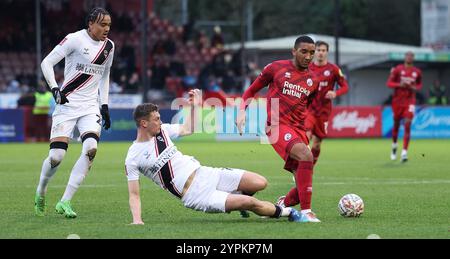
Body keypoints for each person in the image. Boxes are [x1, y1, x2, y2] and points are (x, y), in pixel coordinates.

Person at [125, 89, 305, 225]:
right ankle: (289, 213)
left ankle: (237, 198)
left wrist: (194, 106)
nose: (160, 121)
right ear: (144, 123)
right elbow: (134, 194)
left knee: (260, 182)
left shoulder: (163, 131)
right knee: (250, 202)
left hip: (206, 173)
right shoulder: (133, 157)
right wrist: (137, 220)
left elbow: (188, 129)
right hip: (196, 195)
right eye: (156, 119)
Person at [34, 7, 114, 218]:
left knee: (91, 148)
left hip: (90, 107)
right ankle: (41, 190)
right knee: (57, 156)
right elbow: (47, 63)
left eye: (109, 25)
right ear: (90, 23)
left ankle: (65, 201)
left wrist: (104, 105)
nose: (106, 29)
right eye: (102, 24)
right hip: (67, 104)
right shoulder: (74, 39)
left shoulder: (109, 47)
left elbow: (105, 76)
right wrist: (54, 89)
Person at [236, 35, 321, 222]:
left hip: (298, 131)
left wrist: (311, 128)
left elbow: (311, 107)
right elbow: (251, 90)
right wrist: (242, 111)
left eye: (312, 53)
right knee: (307, 157)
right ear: (294, 51)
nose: (308, 56)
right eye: (304, 51)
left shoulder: (314, 80)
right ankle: (306, 213)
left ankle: (279, 204)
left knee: (302, 188)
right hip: (276, 127)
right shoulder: (276, 68)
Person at [306, 41, 349, 165]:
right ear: (314, 52)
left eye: (323, 50)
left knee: (317, 143)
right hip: (309, 109)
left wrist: (335, 93)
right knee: (305, 136)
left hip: (324, 111)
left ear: (327, 52)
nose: (320, 53)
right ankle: (301, 166)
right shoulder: (308, 68)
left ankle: (309, 168)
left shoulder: (333, 69)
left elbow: (345, 87)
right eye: (318, 50)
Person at [386, 51, 422, 162]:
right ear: (405, 57)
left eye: (411, 56)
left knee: (407, 124)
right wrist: (399, 85)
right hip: (397, 102)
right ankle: (394, 146)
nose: (409, 57)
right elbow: (389, 83)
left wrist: (415, 88)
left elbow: (419, 85)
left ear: (414, 58)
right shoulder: (398, 69)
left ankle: (404, 152)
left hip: (410, 101)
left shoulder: (417, 72)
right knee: (396, 124)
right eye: (407, 55)